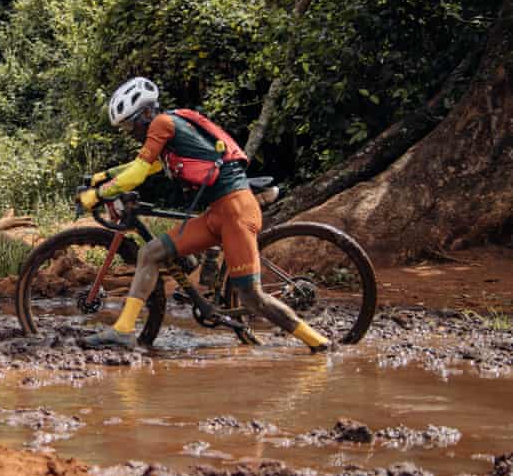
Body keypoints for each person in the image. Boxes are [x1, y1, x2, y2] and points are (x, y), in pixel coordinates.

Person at [76, 77, 332, 352]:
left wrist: (98, 194)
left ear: (147, 113)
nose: (129, 132)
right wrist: (102, 177)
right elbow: (145, 166)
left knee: (252, 298)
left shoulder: (163, 123)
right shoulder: (167, 133)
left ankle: (318, 342)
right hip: (216, 215)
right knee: (149, 253)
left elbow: (137, 173)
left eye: (130, 124)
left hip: (235, 212)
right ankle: (123, 331)